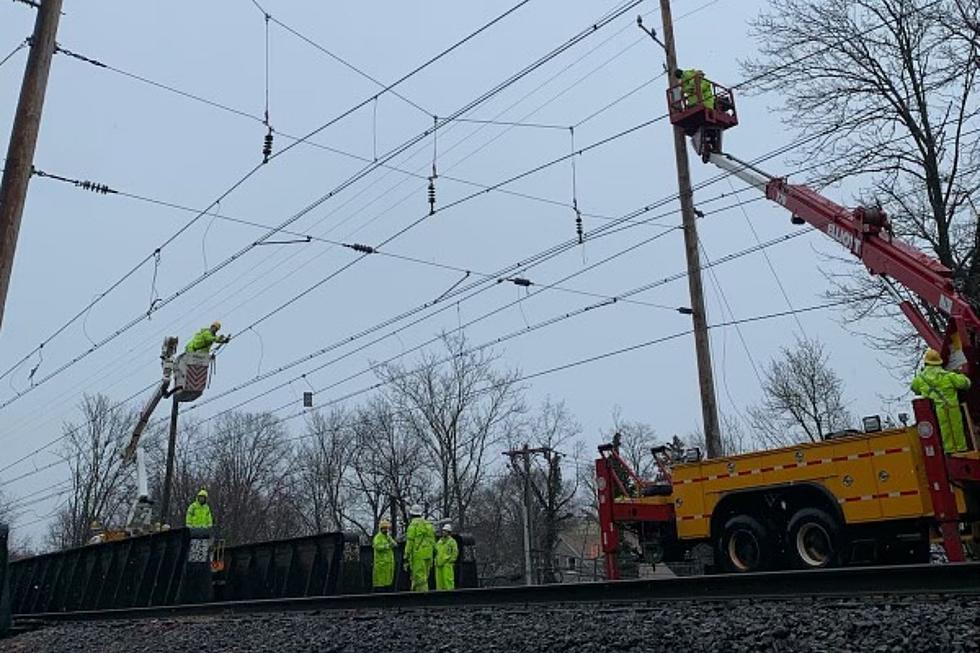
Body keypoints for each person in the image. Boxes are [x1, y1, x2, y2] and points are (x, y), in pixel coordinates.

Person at [911, 348, 972, 453]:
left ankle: (947, 451)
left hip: (934, 413)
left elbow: (915, 389)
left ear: (926, 363)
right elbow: (965, 384)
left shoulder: (920, 379)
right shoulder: (948, 376)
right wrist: (961, 374)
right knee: (956, 429)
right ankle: (960, 450)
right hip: (951, 409)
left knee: (941, 432)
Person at [403, 504, 435, 592]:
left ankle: (421, 599)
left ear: (411, 514)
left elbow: (410, 542)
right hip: (428, 554)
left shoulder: (413, 526)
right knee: (424, 577)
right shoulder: (428, 525)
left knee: (420, 578)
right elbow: (433, 541)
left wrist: (406, 556)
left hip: (418, 554)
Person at [372, 519, 397, 591]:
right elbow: (377, 546)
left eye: (387, 528)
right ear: (381, 529)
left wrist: (393, 543)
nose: (386, 530)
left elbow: (394, 543)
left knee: (387, 581)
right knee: (380, 582)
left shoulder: (388, 537)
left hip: (388, 564)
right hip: (381, 564)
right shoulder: (378, 537)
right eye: (384, 528)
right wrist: (387, 546)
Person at [434, 523, 459, 591]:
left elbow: (455, 552)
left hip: (447, 564)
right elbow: (436, 552)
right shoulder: (439, 542)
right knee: (439, 582)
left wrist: (451, 560)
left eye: (445, 531)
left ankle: (450, 594)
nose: (443, 532)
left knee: (448, 580)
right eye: (443, 531)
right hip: (439, 564)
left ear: (449, 532)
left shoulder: (452, 542)